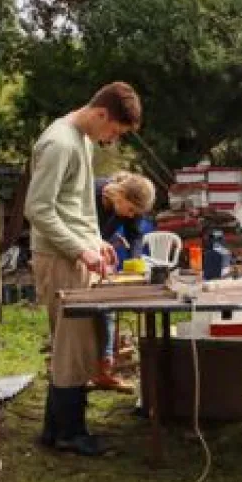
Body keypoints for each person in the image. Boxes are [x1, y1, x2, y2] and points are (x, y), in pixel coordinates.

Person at [26, 81, 142, 456]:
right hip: (61, 257)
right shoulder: (59, 142)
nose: (111, 139)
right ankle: (68, 433)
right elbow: (39, 208)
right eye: (114, 131)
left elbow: (78, 205)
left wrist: (96, 241)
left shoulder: (82, 140)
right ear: (101, 113)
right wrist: (80, 248)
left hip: (76, 254)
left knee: (77, 344)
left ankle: (54, 429)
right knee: (71, 346)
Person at [89, 171, 155, 392]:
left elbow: (135, 235)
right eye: (131, 210)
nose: (130, 216)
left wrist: (135, 260)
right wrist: (95, 246)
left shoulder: (130, 208)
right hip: (78, 251)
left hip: (100, 254)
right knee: (82, 314)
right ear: (122, 195)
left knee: (106, 309)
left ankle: (104, 371)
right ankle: (81, 371)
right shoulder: (92, 193)